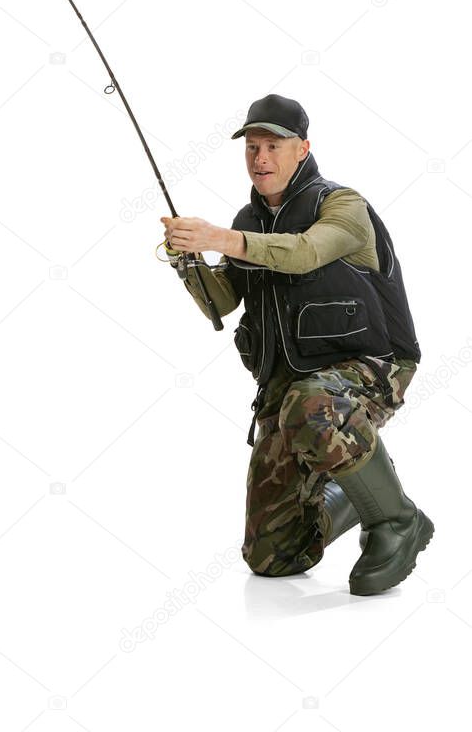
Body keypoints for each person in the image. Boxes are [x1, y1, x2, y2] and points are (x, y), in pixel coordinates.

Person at [160, 93, 434, 595]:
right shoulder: (248, 221)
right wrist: (189, 260)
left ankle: (396, 520)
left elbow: (306, 252)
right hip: (289, 391)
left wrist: (219, 238)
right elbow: (222, 303)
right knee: (271, 557)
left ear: (302, 148)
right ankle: (350, 488)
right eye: (252, 147)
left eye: (273, 146)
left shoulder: (344, 205)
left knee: (312, 406)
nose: (260, 159)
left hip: (372, 365)